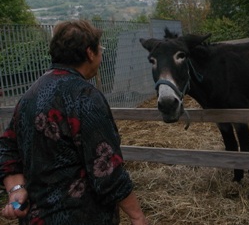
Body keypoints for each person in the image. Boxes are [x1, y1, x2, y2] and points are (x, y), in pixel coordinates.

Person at [0, 20, 148, 225]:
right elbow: (106, 170)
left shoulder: (29, 96)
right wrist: (136, 215)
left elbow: (7, 148)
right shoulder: (85, 98)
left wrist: (16, 190)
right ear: (89, 53)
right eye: (100, 49)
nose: (101, 55)